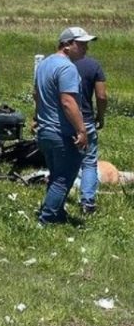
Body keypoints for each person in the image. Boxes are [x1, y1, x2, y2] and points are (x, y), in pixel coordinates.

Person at [34, 27, 93, 225]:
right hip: (61, 132)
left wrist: (37, 117)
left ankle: (57, 212)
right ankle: (47, 218)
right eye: (81, 44)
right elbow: (68, 101)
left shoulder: (44, 64)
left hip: (45, 131)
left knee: (56, 175)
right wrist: (81, 129)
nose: (85, 48)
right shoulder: (67, 68)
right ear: (67, 45)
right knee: (63, 178)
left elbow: (36, 94)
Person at [74, 47, 107, 214]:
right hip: (86, 120)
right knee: (89, 163)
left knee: (63, 160)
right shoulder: (94, 66)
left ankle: (57, 196)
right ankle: (87, 201)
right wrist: (100, 116)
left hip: (62, 121)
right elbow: (101, 96)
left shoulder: (58, 63)